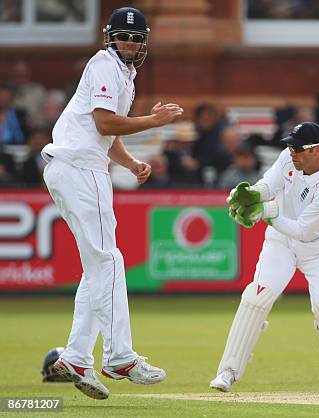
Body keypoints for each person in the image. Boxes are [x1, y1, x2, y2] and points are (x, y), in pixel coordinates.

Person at [41, 7, 183, 400]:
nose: (131, 44)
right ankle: (120, 355)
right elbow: (105, 122)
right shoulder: (105, 65)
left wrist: (131, 161)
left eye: (137, 38)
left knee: (97, 266)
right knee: (109, 261)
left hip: (82, 167)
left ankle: (75, 357)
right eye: (124, 37)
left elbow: (104, 133)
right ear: (110, 37)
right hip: (80, 170)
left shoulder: (124, 75)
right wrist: (154, 122)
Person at [210, 122, 319, 392]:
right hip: (281, 244)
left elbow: (300, 229)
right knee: (256, 297)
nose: (292, 152)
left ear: (318, 150)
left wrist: (264, 211)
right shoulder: (288, 158)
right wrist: (252, 194)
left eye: (299, 148)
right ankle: (227, 371)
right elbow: (269, 184)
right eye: (290, 146)